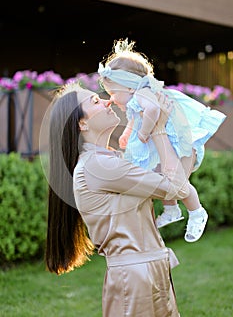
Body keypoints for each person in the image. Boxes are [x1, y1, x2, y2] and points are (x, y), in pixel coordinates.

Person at [45, 82, 190, 316]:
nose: (107, 100)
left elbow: (172, 180)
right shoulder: (99, 166)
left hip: (149, 271)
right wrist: (159, 128)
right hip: (135, 279)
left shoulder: (110, 159)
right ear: (82, 124)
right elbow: (176, 187)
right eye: (95, 101)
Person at [98, 38, 226, 242]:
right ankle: (172, 209)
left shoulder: (144, 94)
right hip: (166, 144)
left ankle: (197, 212)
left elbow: (154, 110)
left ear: (130, 87)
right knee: (160, 176)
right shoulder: (135, 100)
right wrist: (127, 133)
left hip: (178, 140)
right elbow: (133, 118)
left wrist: (143, 133)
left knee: (178, 182)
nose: (111, 98)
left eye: (113, 92)